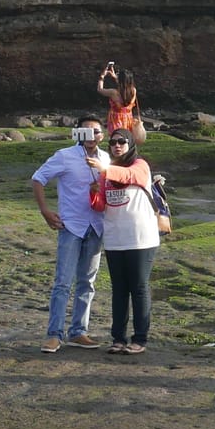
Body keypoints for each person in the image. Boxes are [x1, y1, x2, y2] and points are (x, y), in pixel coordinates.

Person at [30, 118, 108, 353]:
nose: (92, 135)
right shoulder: (64, 155)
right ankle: (54, 334)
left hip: (96, 226)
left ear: (102, 135)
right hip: (71, 225)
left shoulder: (106, 159)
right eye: (87, 130)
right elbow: (38, 178)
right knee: (63, 282)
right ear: (78, 133)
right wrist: (45, 211)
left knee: (87, 282)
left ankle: (79, 331)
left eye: (97, 131)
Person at [93, 127, 160, 354]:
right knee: (119, 290)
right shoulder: (106, 173)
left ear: (130, 144)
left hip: (141, 238)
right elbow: (101, 205)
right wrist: (93, 192)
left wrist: (104, 168)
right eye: (113, 142)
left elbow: (128, 176)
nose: (117, 145)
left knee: (139, 288)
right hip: (114, 238)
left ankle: (140, 338)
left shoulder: (140, 166)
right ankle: (118, 338)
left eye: (122, 141)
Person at [97, 62, 139, 136]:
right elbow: (124, 85)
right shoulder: (133, 91)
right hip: (128, 119)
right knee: (126, 139)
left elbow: (100, 89)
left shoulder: (113, 93)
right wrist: (115, 77)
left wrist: (102, 76)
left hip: (116, 120)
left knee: (116, 139)